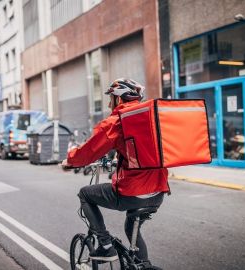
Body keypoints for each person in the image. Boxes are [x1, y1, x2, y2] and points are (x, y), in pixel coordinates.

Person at [62, 78, 170, 266]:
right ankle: (143, 265)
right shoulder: (149, 118)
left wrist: (70, 161)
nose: (108, 103)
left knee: (85, 194)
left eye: (110, 98)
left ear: (119, 99)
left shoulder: (118, 120)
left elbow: (90, 150)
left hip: (133, 193)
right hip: (158, 191)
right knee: (131, 225)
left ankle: (104, 245)